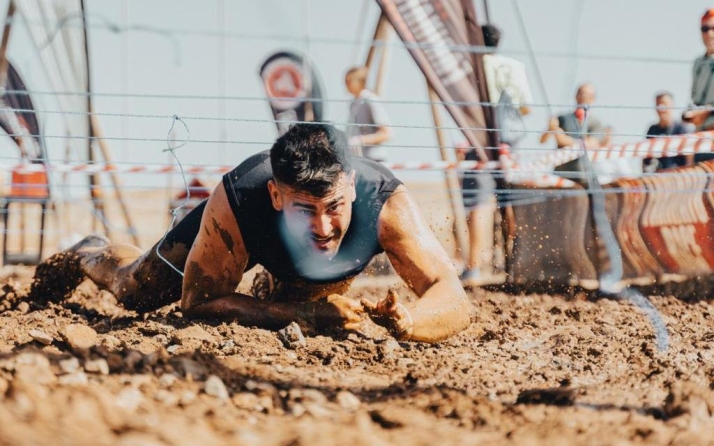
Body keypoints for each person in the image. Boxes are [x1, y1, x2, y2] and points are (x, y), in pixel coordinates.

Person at [28, 123, 471, 343]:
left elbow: (449, 292)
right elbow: (197, 304)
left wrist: (412, 322)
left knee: (313, 295)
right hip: (242, 235)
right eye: (305, 210)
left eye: (335, 207)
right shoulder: (241, 197)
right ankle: (91, 252)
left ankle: (277, 289)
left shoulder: (386, 203)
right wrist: (299, 318)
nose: (322, 226)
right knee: (136, 291)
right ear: (277, 195)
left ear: (352, 187)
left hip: (300, 270)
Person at [481, 23, 533, 150]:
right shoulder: (516, 66)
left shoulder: (474, 66)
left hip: (480, 134)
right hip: (509, 137)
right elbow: (526, 108)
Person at [540, 83, 612, 149]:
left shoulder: (596, 123)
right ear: (576, 96)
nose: (584, 97)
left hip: (584, 162)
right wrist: (551, 128)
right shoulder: (563, 118)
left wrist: (563, 139)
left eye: (588, 96)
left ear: (593, 99)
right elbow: (542, 140)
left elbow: (591, 144)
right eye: (582, 94)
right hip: (564, 163)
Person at [344, 66, 391, 162]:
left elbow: (386, 133)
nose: (346, 85)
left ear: (359, 81)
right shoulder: (354, 103)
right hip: (360, 158)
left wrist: (360, 140)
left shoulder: (370, 100)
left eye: (349, 81)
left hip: (375, 160)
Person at [644, 92, 693, 172]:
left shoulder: (682, 129)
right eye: (658, 105)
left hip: (678, 176)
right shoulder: (652, 130)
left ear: (672, 106)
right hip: (657, 177)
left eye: (664, 105)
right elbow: (646, 158)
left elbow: (690, 158)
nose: (661, 109)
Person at [683, 8, 714, 131]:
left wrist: (706, 111)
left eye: (713, 28)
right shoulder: (698, 63)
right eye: (705, 29)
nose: (709, 34)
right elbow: (694, 98)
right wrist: (690, 114)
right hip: (701, 132)